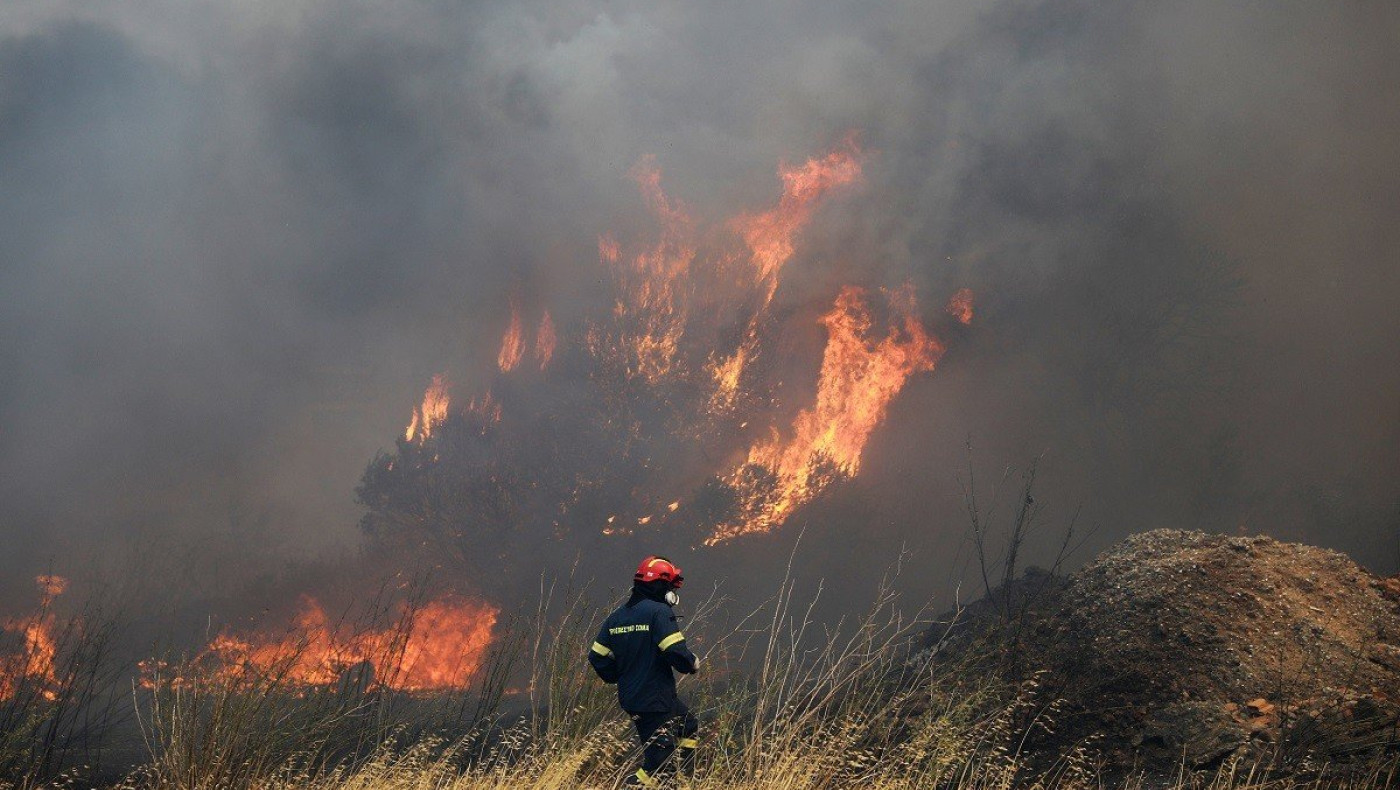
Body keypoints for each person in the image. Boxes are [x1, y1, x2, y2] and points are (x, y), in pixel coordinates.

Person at [588, 556, 700, 788]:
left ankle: (680, 779)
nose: (672, 593)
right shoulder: (659, 611)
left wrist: (622, 675)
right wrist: (692, 664)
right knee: (659, 760)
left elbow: (597, 656)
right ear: (662, 586)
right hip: (654, 699)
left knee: (687, 725)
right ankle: (638, 785)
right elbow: (675, 652)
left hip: (637, 697)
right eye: (670, 587)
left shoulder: (616, 617)